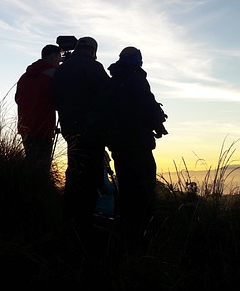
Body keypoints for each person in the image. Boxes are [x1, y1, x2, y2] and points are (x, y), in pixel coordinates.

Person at [104, 46, 168, 253]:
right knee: (144, 188)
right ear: (137, 61)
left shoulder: (112, 82)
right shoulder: (136, 79)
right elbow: (146, 105)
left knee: (126, 188)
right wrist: (158, 123)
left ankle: (125, 232)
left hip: (118, 145)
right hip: (137, 143)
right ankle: (143, 237)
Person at [52, 36, 110, 240]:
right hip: (90, 129)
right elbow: (108, 92)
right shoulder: (92, 66)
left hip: (69, 128)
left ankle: (67, 219)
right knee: (90, 175)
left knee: (74, 170)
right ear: (93, 50)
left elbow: (54, 96)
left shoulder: (63, 69)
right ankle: (84, 225)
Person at [14, 44, 61, 177]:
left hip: (25, 126)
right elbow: (59, 99)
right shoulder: (53, 74)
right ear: (52, 56)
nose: (59, 61)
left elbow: (17, 98)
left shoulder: (25, 75)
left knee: (31, 161)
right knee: (42, 166)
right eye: (58, 57)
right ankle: (38, 192)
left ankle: (28, 190)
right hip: (44, 127)